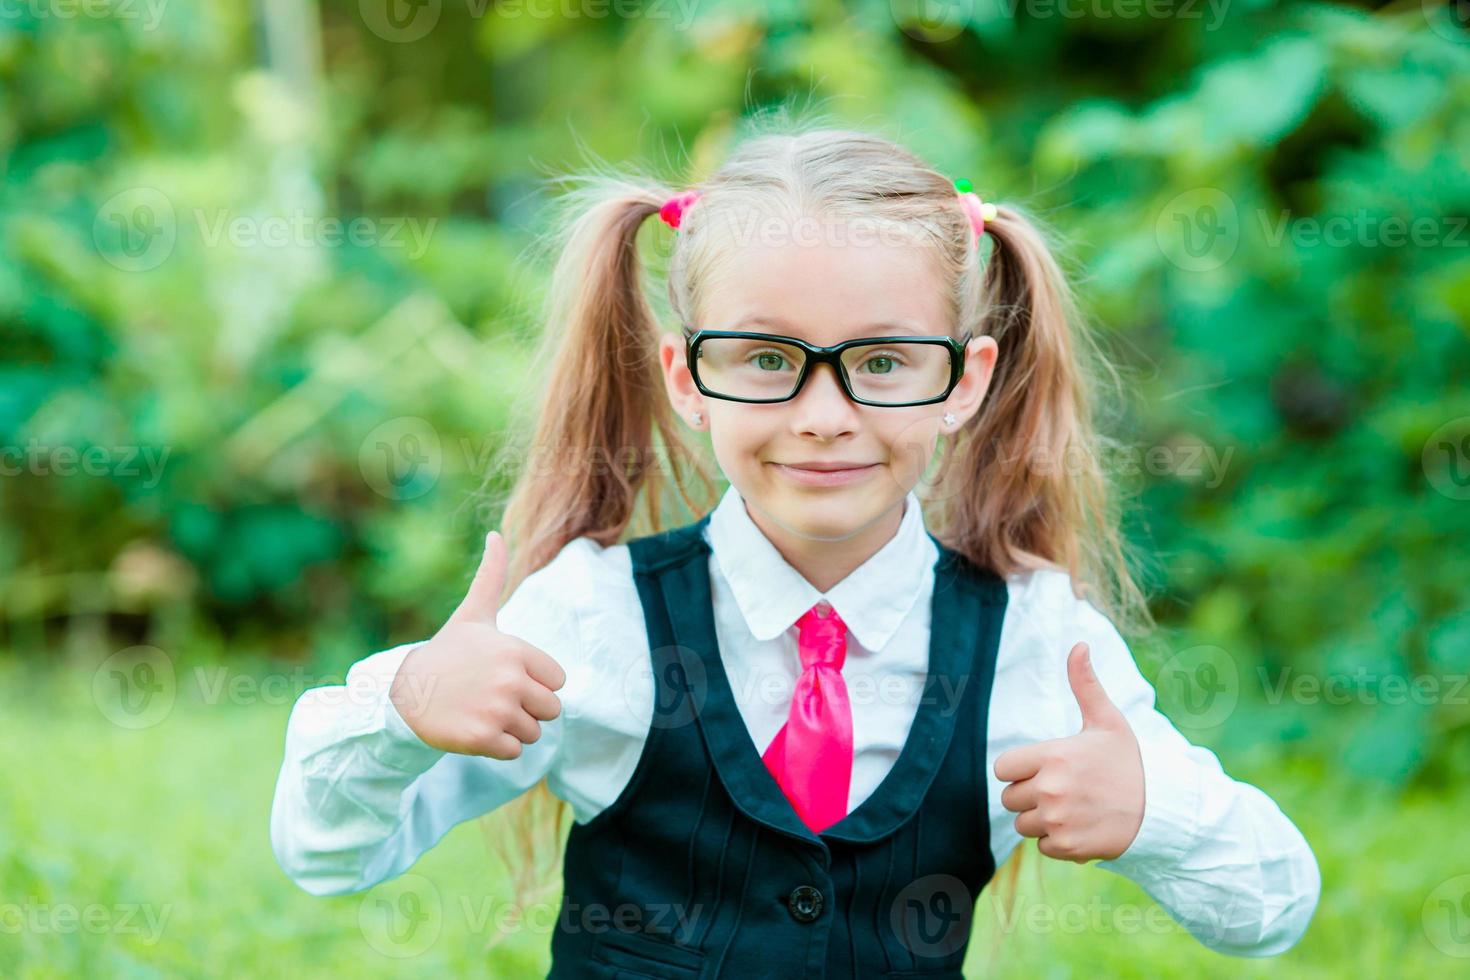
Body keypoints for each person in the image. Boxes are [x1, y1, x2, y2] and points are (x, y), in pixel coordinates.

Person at [270, 122, 1320, 976]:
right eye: (767, 357)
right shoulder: (592, 617)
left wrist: (1150, 810)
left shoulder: (1033, 641)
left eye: (884, 360)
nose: (825, 413)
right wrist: (403, 703)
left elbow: (1275, 904)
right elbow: (326, 855)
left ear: (963, 378)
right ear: (686, 375)